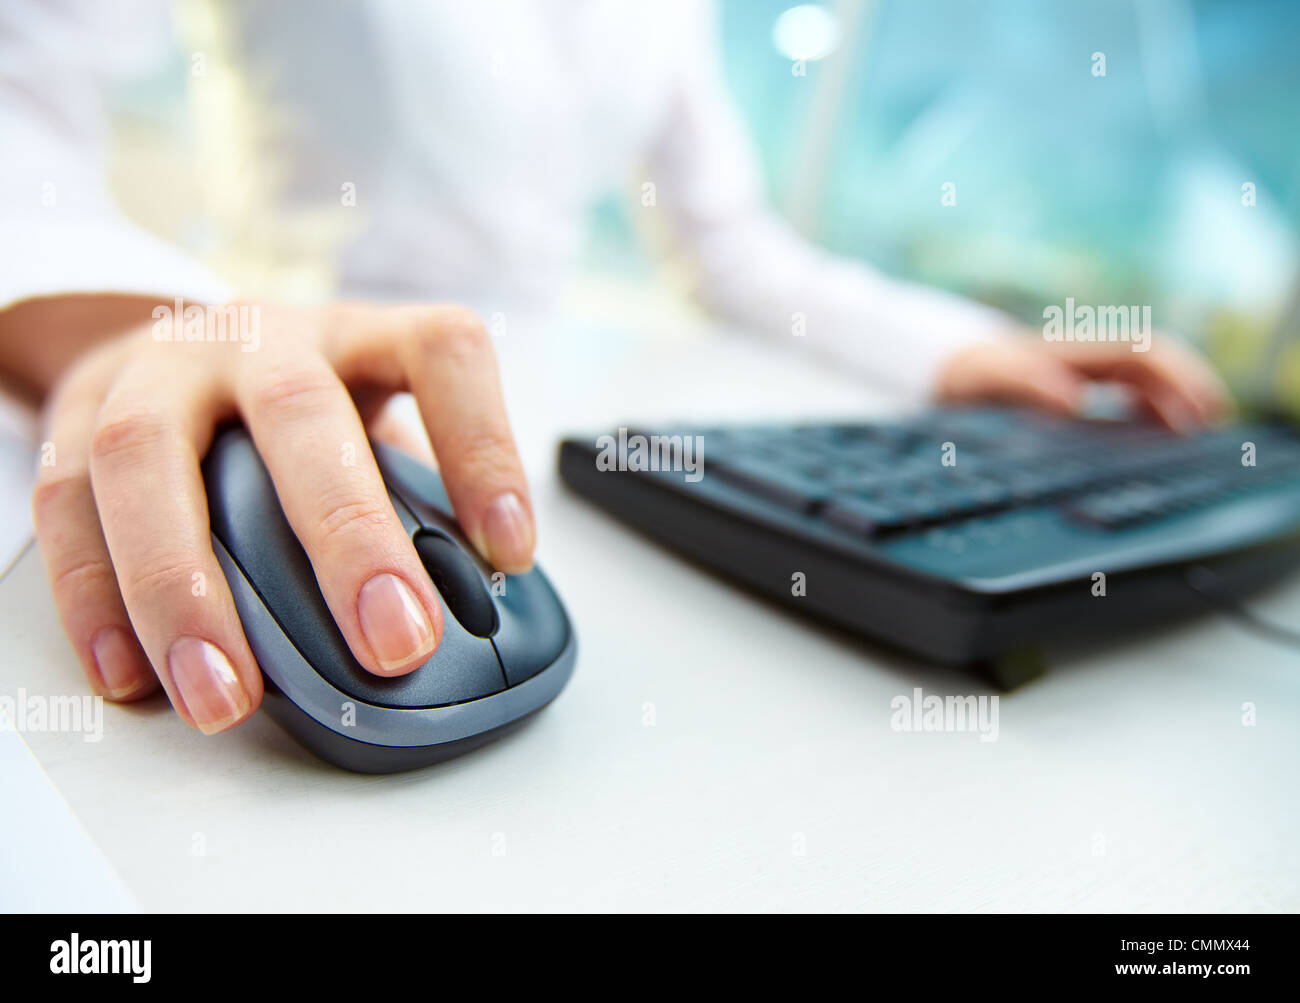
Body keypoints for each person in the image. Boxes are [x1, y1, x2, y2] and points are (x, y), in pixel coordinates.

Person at [0, 0, 1228, 736]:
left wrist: (968, 347)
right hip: (288, 379)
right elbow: (21, 94)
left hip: (524, 434)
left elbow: (732, 244)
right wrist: (143, 323)